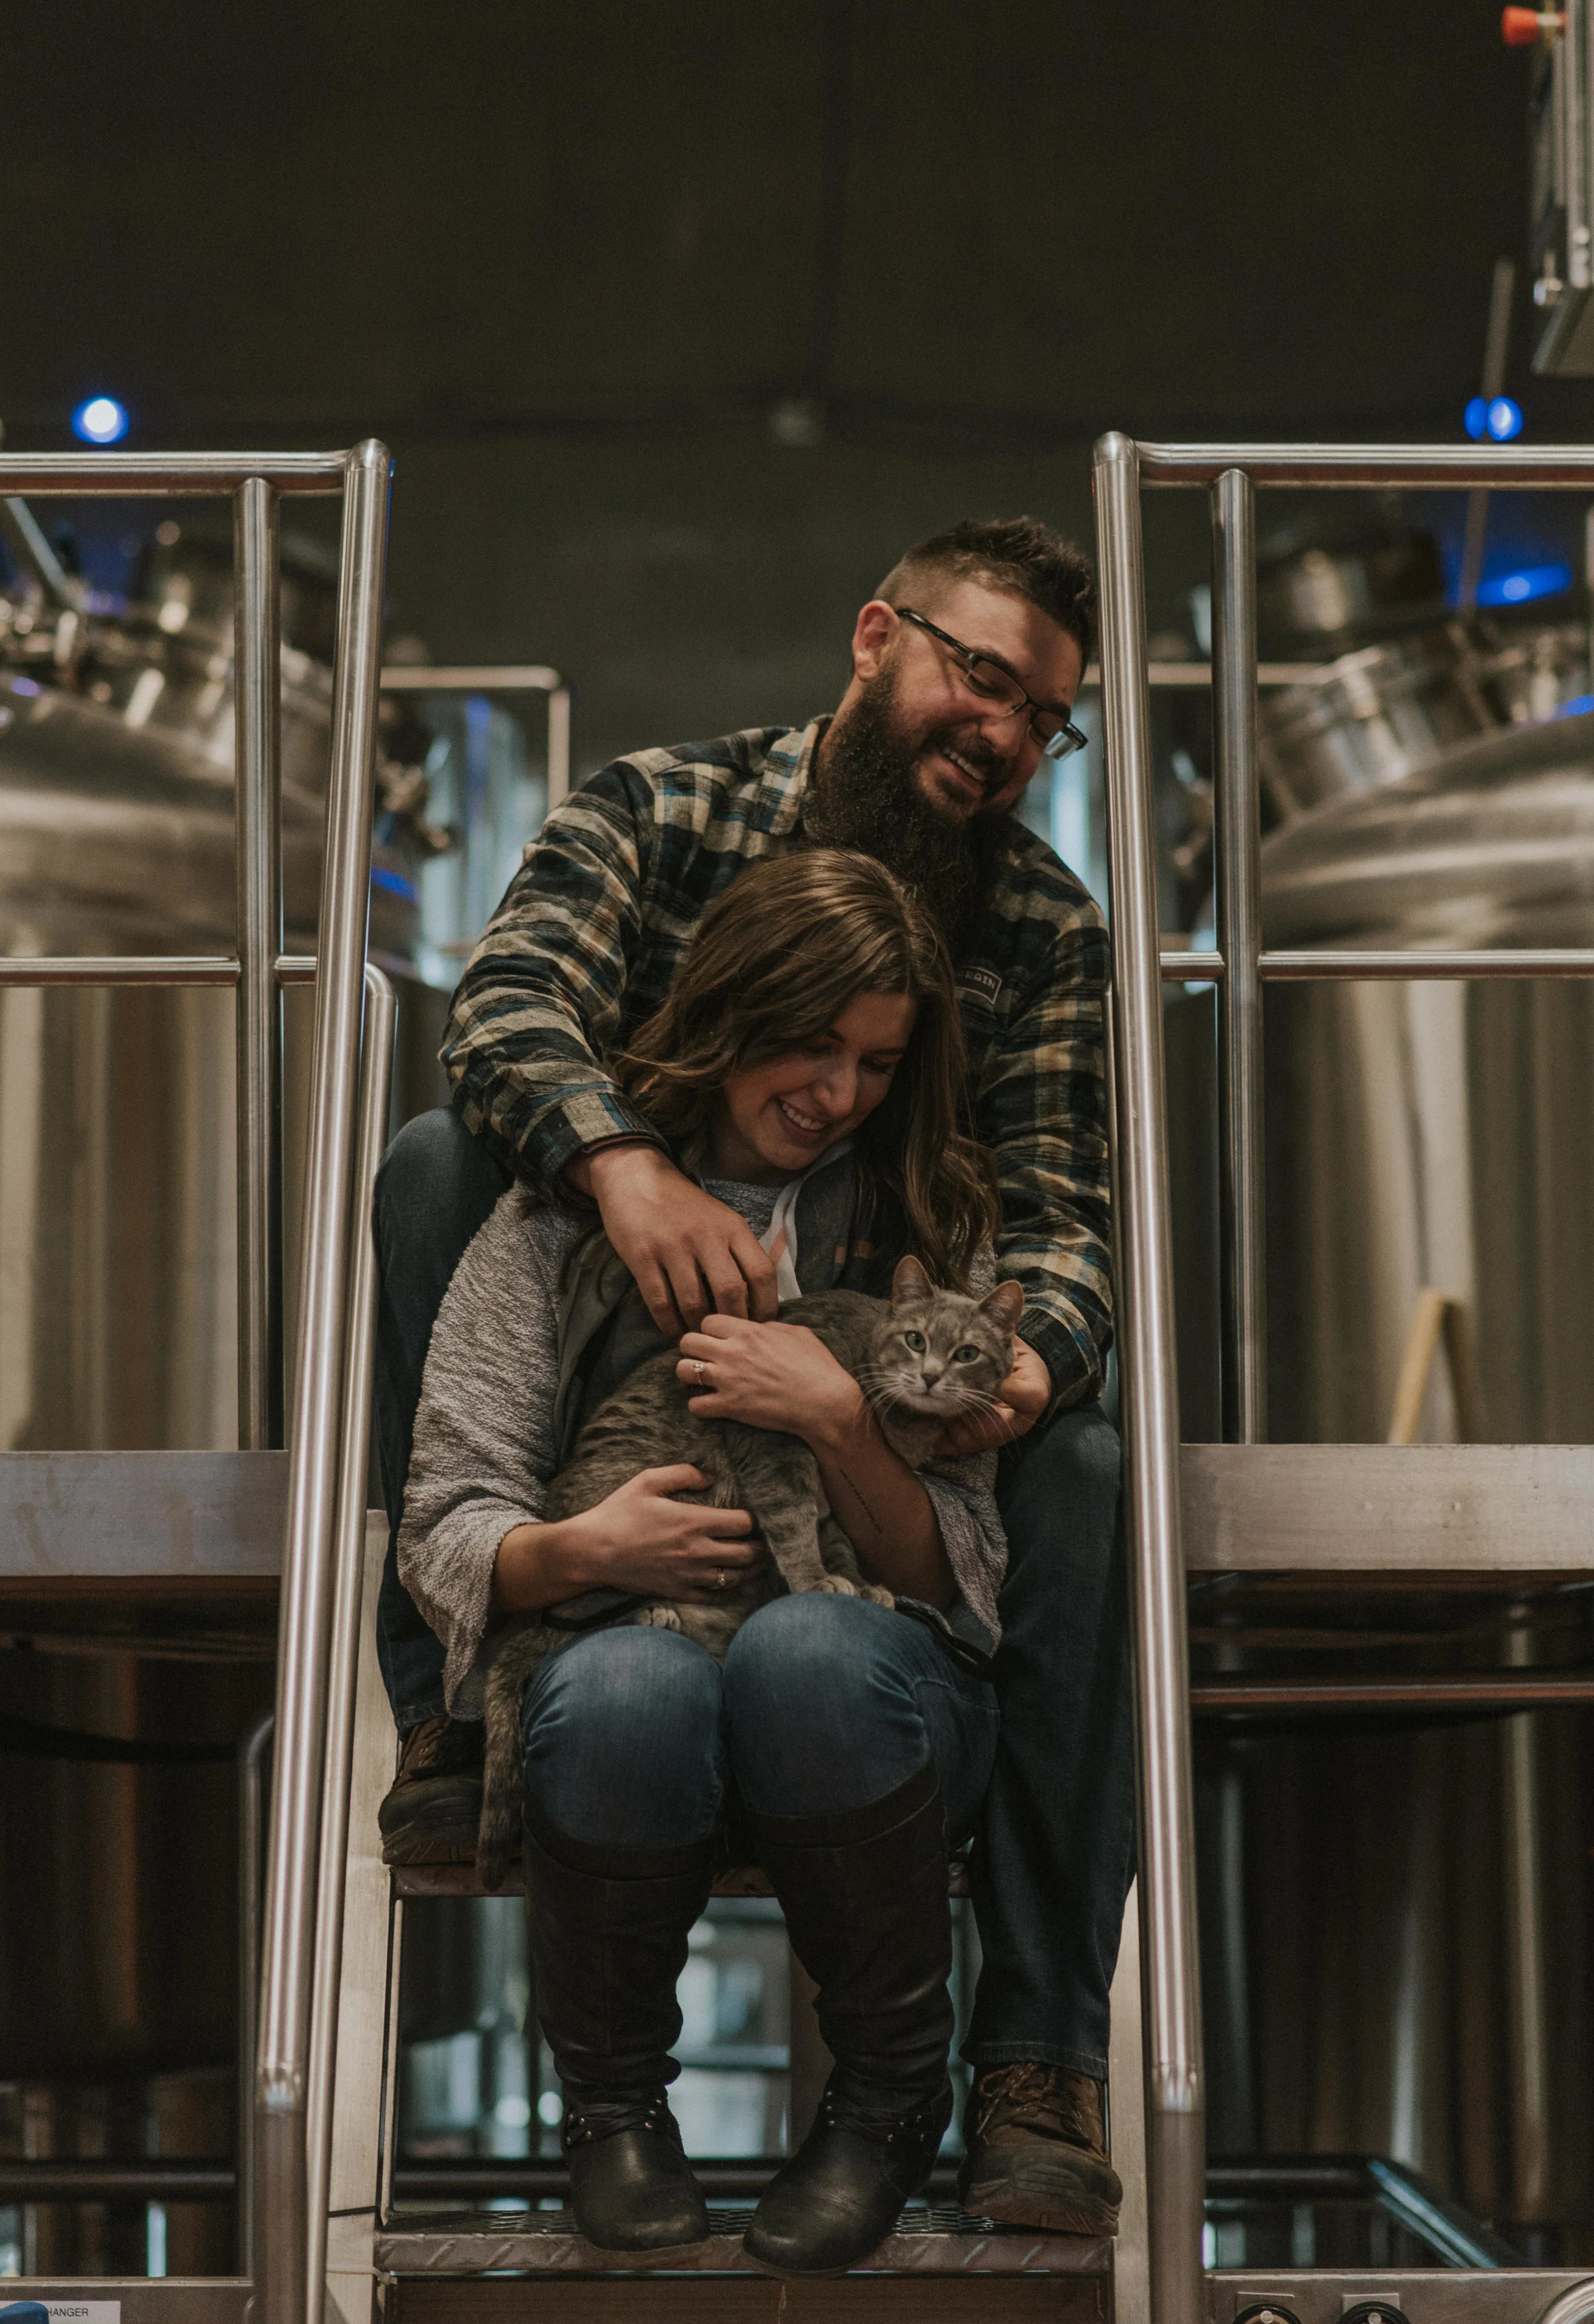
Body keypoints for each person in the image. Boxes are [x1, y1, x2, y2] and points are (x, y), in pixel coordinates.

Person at [372, 515, 1130, 2238]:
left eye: (1042, 717)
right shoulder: (663, 809)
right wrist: (623, 1173)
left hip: (883, 1444)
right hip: (600, 1329)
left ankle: (1027, 2058)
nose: (1003, 732)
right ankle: (453, 1710)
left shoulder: (1035, 921)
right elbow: (505, 1007)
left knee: (1082, 1465)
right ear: (876, 635)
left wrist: (1017, 1361)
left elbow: (1060, 1212)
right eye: (979, 675)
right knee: (433, 1157)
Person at [400, 851, 1011, 2271]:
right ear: (732, 1009)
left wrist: (840, 1419)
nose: (838, 1093)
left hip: (865, 1710)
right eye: (811, 1042)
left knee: (813, 1649)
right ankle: (612, 2110)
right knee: (628, 1686)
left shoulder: (929, 1223)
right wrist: (583, 1548)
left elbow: (958, 1581)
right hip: (630, 1655)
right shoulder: (553, 1221)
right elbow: (442, 1523)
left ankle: (885, 2105)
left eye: (877, 1061)